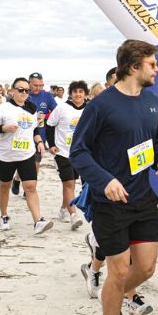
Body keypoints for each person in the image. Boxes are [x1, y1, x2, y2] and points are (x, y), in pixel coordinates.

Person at [70, 39, 158, 315]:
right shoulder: (101, 106)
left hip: (141, 198)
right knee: (120, 271)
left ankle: (120, 298)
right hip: (109, 202)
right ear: (133, 67)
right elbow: (79, 153)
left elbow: (151, 143)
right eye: (152, 64)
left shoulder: (153, 103)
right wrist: (105, 180)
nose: (157, 70)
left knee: (146, 268)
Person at [0, 77, 52, 235]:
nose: (24, 93)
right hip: (6, 155)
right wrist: (3, 128)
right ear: (12, 91)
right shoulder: (2, 108)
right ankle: (4, 216)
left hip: (27, 154)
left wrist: (38, 141)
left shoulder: (32, 108)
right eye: (21, 90)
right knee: (5, 186)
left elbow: (34, 129)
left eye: (27, 90)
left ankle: (38, 221)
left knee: (30, 187)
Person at [46, 80, 89, 230]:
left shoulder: (89, 109)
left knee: (73, 183)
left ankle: (64, 209)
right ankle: (73, 215)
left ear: (85, 94)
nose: (78, 94)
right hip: (63, 152)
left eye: (81, 92)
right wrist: (51, 145)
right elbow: (49, 125)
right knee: (69, 183)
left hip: (82, 153)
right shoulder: (62, 108)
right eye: (75, 91)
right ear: (70, 94)